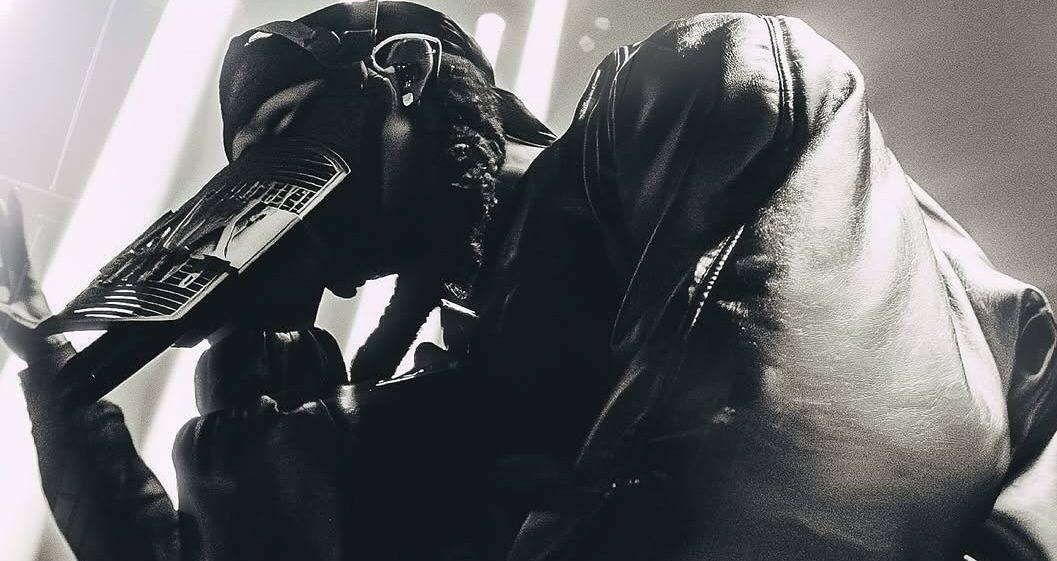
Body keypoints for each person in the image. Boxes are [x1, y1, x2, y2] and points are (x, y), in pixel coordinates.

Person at [1, 2, 1053, 560]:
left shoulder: (704, 88)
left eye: (285, 132)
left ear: (402, 74)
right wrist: (60, 386)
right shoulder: (462, 377)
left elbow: (807, 471)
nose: (264, 195)